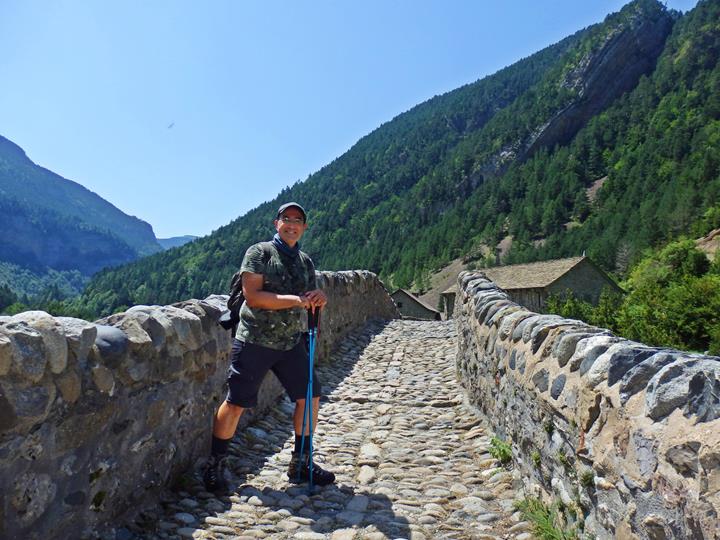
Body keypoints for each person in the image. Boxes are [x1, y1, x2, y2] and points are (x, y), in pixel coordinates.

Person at [203, 202, 335, 492]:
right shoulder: (259, 253)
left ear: (304, 227)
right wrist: (297, 300)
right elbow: (253, 297)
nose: (292, 224)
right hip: (254, 340)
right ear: (277, 223)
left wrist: (318, 297)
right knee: (236, 402)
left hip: (290, 341)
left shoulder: (305, 262)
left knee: (310, 397)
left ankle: (301, 462)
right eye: (286, 219)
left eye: (297, 220)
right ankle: (215, 466)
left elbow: (308, 296)